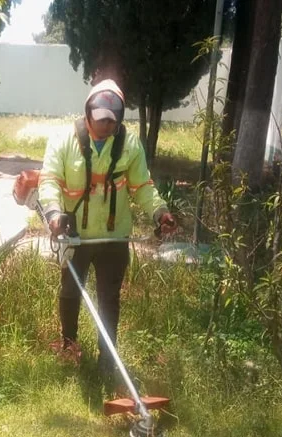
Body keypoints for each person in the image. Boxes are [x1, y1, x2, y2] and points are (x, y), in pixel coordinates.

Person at [37, 79, 177, 382]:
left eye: (111, 122)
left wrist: (159, 212)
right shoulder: (63, 139)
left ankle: (106, 357)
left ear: (119, 119)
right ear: (88, 114)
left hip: (114, 237)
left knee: (109, 297)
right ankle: (69, 346)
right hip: (75, 234)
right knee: (71, 292)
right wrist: (52, 212)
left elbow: (142, 187)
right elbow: (48, 180)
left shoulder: (129, 144)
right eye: (100, 121)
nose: (105, 127)